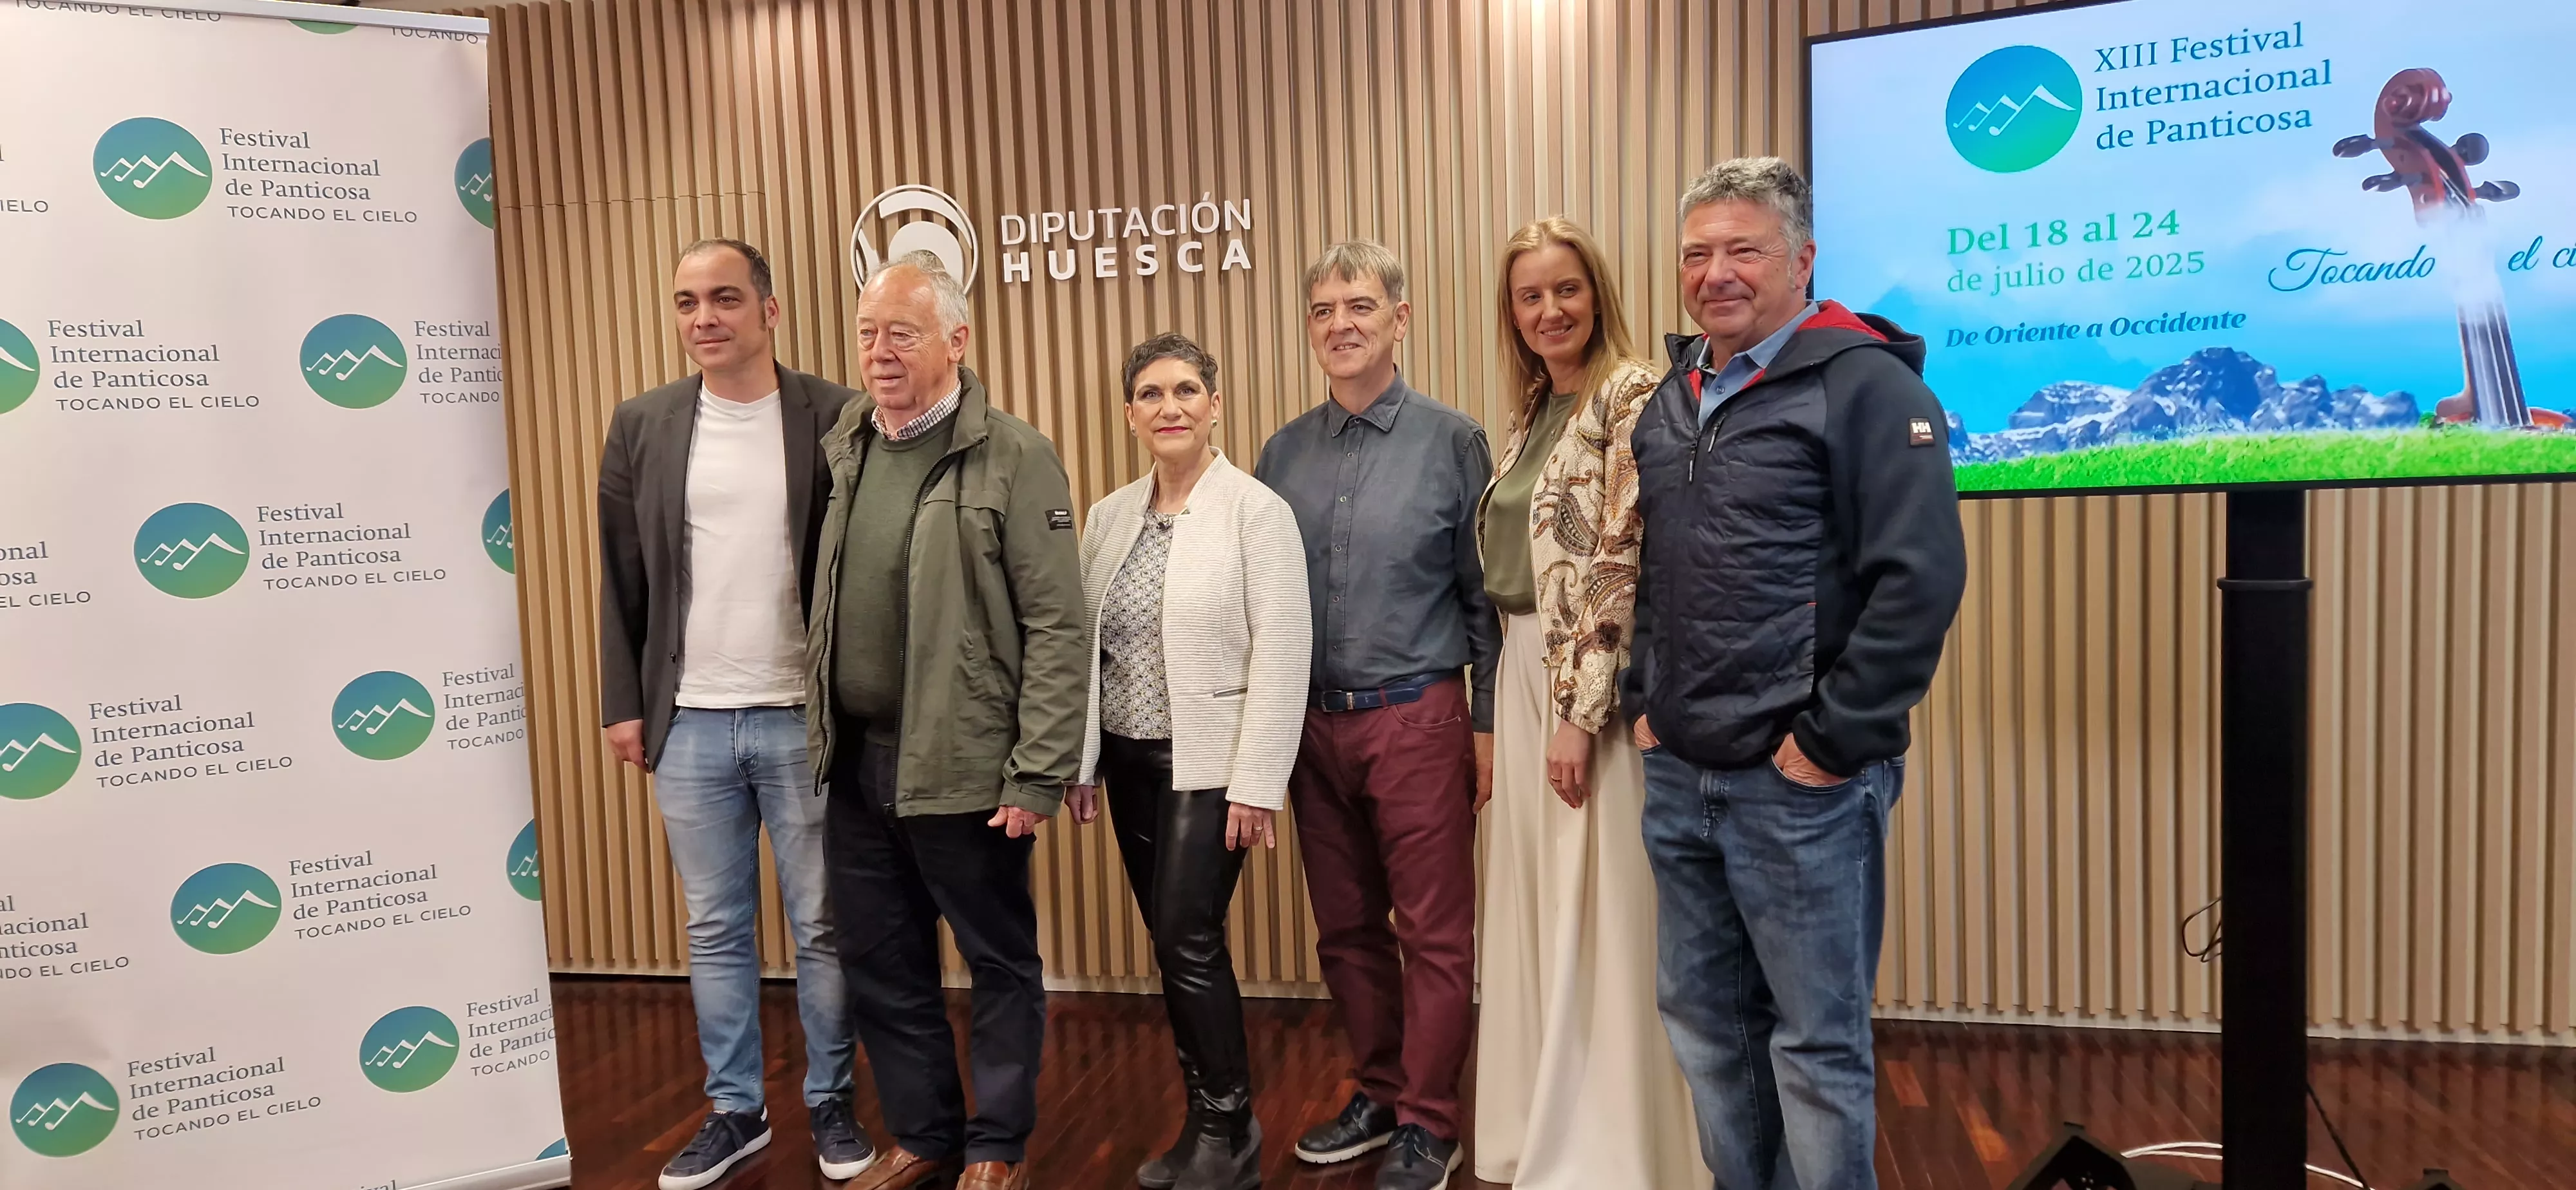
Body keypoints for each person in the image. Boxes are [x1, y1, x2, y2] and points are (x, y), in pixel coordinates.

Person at [1621, 158, 1966, 1190]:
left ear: (1802, 261)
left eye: (1743, 250)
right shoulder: (1671, 400)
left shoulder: (1869, 386)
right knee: (1707, 1031)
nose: (1716, 272)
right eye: (1697, 252)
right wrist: (1647, 701)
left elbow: (1920, 582)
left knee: (1815, 1052)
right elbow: (1652, 567)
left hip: (1802, 789)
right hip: (1683, 779)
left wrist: (1827, 743)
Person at [804, 252, 1088, 1190]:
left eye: (904, 332)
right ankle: (924, 1134)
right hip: (857, 765)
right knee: (883, 964)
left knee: (999, 959)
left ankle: (996, 1144)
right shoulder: (848, 443)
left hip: (966, 765)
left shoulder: (1012, 452)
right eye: (868, 332)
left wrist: (1037, 770)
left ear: (957, 341)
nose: (880, 352)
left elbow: (1057, 623)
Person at [594, 238, 870, 1190]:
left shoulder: (837, 414)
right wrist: (624, 706)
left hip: (805, 717)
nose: (704, 318)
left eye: (723, 299)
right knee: (714, 927)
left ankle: (832, 1102)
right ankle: (735, 1111)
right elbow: (622, 577)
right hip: (692, 722)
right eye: (686, 302)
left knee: (825, 924)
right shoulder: (643, 425)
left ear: (769, 310)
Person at [1254, 240, 1499, 1190]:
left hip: (1419, 719)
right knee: (1347, 928)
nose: (1340, 324)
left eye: (1359, 305)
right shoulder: (1283, 452)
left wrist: (1483, 736)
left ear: (1401, 318)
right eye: (1322, 310)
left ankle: (1431, 1122)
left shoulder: (1453, 441)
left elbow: (1484, 602)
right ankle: (1381, 1090)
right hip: (1312, 727)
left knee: (1434, 932)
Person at [1468, 217, 1707, 1189]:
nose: (1549, 309)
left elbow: (1623, 554)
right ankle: (1538, 1114)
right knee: (1536, 895)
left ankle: (1611, 1144)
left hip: (1583, 686)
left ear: (1596, 291)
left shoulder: (1629, 392)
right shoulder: (1534, 407)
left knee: (1598, 900)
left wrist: (1579, 711)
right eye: (1529, 295)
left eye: (1565, 289)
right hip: (1523, 670)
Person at [1063, 333, 1311, 1190]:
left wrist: (1258, 784)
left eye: (1186, 391)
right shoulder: (1108, 517)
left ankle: (1230, 1130)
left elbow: (1284, 651)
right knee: (1173, 947)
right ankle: (1204, 1118)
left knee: (1187, 937)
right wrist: (1083, 761)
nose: (1169, 407)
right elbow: (1086, 651)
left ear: (1215, 404)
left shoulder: (1256, 511)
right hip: (1129, 764)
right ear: (1130, 413)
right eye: (1150, 394)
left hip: (1209, 766)